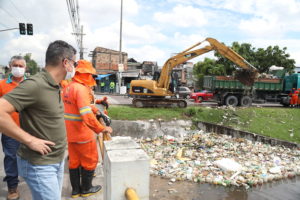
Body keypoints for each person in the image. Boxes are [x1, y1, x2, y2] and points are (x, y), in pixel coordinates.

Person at [0, 40, 77, 200]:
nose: (74, 68)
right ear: (66, 62)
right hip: (40, 164)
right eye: (74, 63)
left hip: (56, 159)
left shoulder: (55, 85)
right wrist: (29, 140)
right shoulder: (35, 85)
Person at [62, 60, 112, 198]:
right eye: (91, 75)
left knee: (74, 162)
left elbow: (83, 106)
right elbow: (87, 116)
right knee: (90, 161)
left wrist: (97, 110)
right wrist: (102, 129)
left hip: (71, 134)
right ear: (86, 74)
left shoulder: (68, 87)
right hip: (84, 133)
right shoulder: (81, 89)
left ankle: (75, 191)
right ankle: (86, 189)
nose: (93, 79)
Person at [0, 55, 27, 200]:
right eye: (15, 65)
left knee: (31, 157)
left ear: (25, 68)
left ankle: (32, 179)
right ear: (10, 67)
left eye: (21, 66)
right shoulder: (2, 85)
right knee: (11, 158)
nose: (18, 68)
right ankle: (12, 187)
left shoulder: (31, 84)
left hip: (30, 129)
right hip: (10, 130)